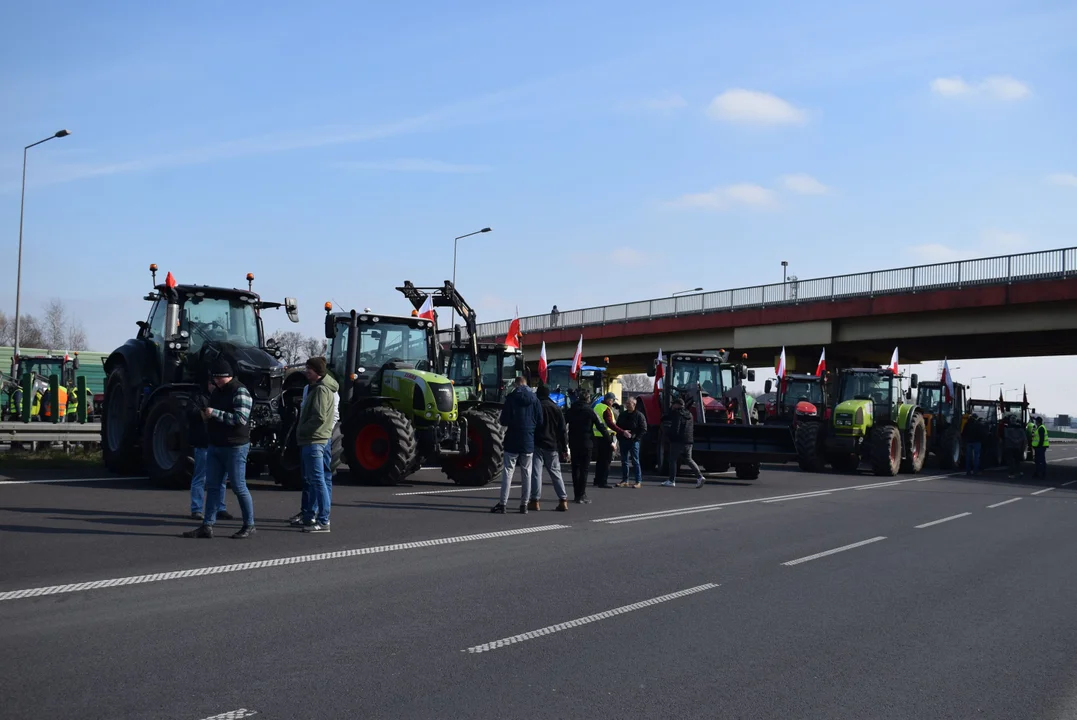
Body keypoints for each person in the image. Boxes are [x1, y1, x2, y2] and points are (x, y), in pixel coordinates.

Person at [183, 358, 255, 539]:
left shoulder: (240, 391)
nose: (214, 381)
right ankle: (207, 525)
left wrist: (214, 413)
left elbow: (241, 419)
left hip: (235, 446)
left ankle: (249, 524)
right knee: (213, 486)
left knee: (239, 486)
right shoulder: (218, 392)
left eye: (217, 377)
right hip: (215, 444)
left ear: (225, 376)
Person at [290, 368, 341, 527]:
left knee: (319, 478)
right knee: (314, 477)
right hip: (314, 438)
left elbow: (326, 416)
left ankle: (320, 516)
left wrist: (322, 432)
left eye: (309, 370)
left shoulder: (325, 390)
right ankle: (310, 512)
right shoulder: (308, 388)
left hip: (318, 438)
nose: (306, 373)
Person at [493, 376, 543, 514]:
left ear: (516, 384)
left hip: (512, 439)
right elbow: (540, 421)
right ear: (526, 384)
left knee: (508, 471)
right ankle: (524, 505)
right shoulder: (535, 399)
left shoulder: (511, 398)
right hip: (528, 440)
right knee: (527, 472)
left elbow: (503, 421)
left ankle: (503, 504)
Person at [188, 379, 231, 521]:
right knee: (200, 476)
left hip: (220, 442)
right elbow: (191, 412)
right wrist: (205, 414)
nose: (213, 385)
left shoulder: (224, 396)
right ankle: (197, 509)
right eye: (211, 383)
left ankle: (220, 508)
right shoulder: (199, 397)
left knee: (222, 479)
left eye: (215, 383)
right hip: (204, 442)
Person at [529, 385, 570, 511]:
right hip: (552, 445)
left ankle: (535, 501)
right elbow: (562, 430)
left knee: (536, 473)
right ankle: (563, 499)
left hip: (537, 443)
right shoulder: (556, 408)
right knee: (556, 473)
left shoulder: (535, 406)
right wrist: (564, 448)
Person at [566, 390, 609, 504]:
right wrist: (609, 440)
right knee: (584, 469)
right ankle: (582, 494)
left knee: (575, 469)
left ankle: (576, 494)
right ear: (588, 399)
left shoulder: (571, 410)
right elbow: (600, 426)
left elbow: (562, 423)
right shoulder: (590, 411)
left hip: (573, 442)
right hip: (586, 443)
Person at [663, 395, 705, 488]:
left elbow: (676, 428)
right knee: (689, 459)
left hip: (678, 441)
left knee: (672, 460)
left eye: (673, 404)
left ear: (677, 405)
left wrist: (669, 435)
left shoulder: (677, 414)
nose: (672, 406)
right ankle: (700, 477)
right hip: (689, 440)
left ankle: (671, 480)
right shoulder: (689, 414)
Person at [592, 392, 625, 489]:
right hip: (606, 436)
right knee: (606, 460)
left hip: (597, 436)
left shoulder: (597, 407)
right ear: (609, 400)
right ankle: (603, 481)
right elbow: (610, 424)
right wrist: (622, 431)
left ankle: (597, 480)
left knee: (600, 460)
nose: (613, 402)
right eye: (613, 400)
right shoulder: (607, 409)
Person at [616, 397, 647, 488]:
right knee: (624, 461)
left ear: (634, 404)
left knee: (635, 461)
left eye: (629, 403)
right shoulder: (622, 415)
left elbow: (643, 429)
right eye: (627, 403)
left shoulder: (639, 415)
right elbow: (618, 427)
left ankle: (638, 481)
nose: (627, 405)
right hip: (623, 441)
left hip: (634, 442)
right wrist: (620, 436)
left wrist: (636, 438)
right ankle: (625, 480)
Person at [1002, 415, 1026, 480]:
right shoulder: (1020, 427)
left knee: (1010, 461)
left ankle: (1011, 473)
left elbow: (1006, 436)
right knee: (1017, 460)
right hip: (1017, 446)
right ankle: (1019, 472)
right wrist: (1018, 441)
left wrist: (1013, 440)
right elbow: (1023, 437)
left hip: (1009, 446)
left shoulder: (1007, 427)